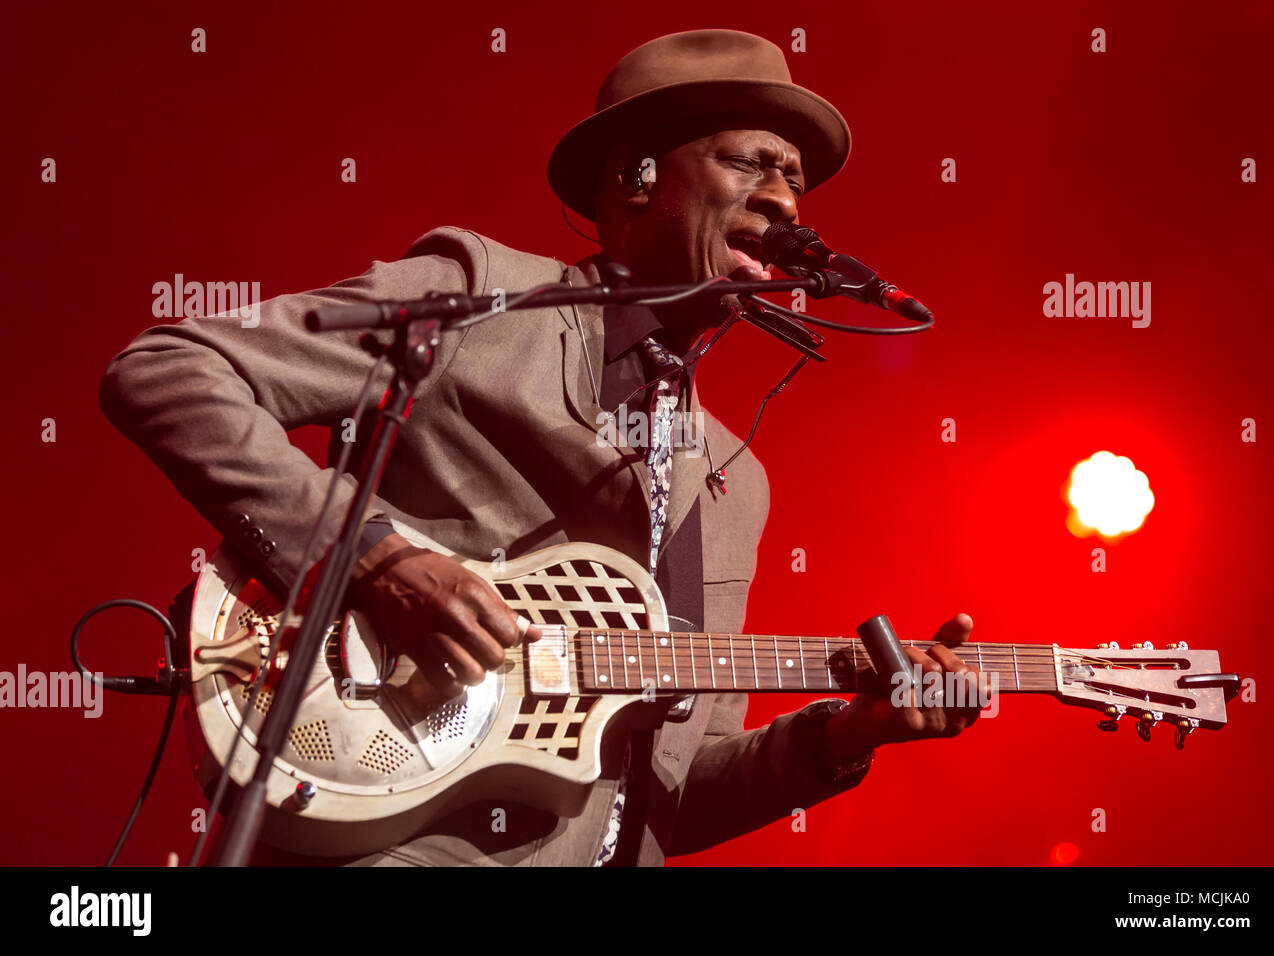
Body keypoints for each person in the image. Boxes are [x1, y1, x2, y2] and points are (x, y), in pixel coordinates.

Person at [100, 29, 987, 866]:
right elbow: (171, 369)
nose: (785, 201)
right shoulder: (478, 299)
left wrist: (845, 735)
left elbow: (676, 794)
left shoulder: (733, 479)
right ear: (635, 178)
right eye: (749, 161)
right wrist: (370, 557)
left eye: (795, 178)